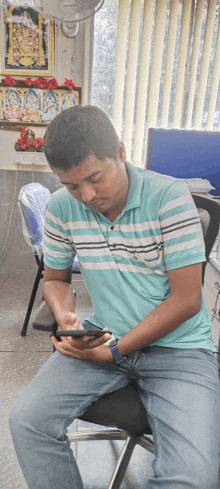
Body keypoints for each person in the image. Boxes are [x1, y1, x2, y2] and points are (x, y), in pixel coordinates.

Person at [9, 105, 220, 489]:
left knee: (194, 479)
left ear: (120, 152)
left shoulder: (169, 197)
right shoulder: (62, 207)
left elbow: (187, 300)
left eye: (94, 178)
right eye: (72, 185)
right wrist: (67, 316)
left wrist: (118, 350)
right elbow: (55, 279)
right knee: (27, 422)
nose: (86, 195)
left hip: (181, 349)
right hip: (104, 335)